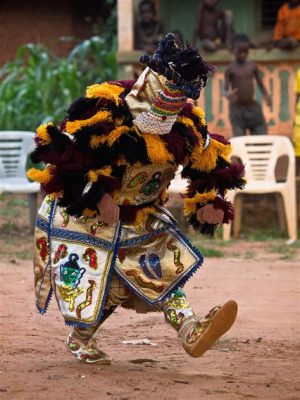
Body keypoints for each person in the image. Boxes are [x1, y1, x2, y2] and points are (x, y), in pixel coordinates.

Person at [28, 33, 245, 364]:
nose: (172, 101)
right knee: (109, 284)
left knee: (157, 270)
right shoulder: (104, 109)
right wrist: (97, 195)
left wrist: (207, 202)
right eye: (168, 90)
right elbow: (66, 157)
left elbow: (207, 166)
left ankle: (190, 331)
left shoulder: (186, 125)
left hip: (140, 215)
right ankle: (81, 336)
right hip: (85, 215)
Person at [224, 34, 271, 137]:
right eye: (239, 52)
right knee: (240, 140)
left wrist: (267, 95)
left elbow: (261, 84)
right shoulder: (230, 69)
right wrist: (228, 94)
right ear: (233, 50)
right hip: (237, 109)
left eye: (245, 52)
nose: (243, 54)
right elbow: (225, 89)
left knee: (261, 136)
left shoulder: (252, 66)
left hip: (252, 108)